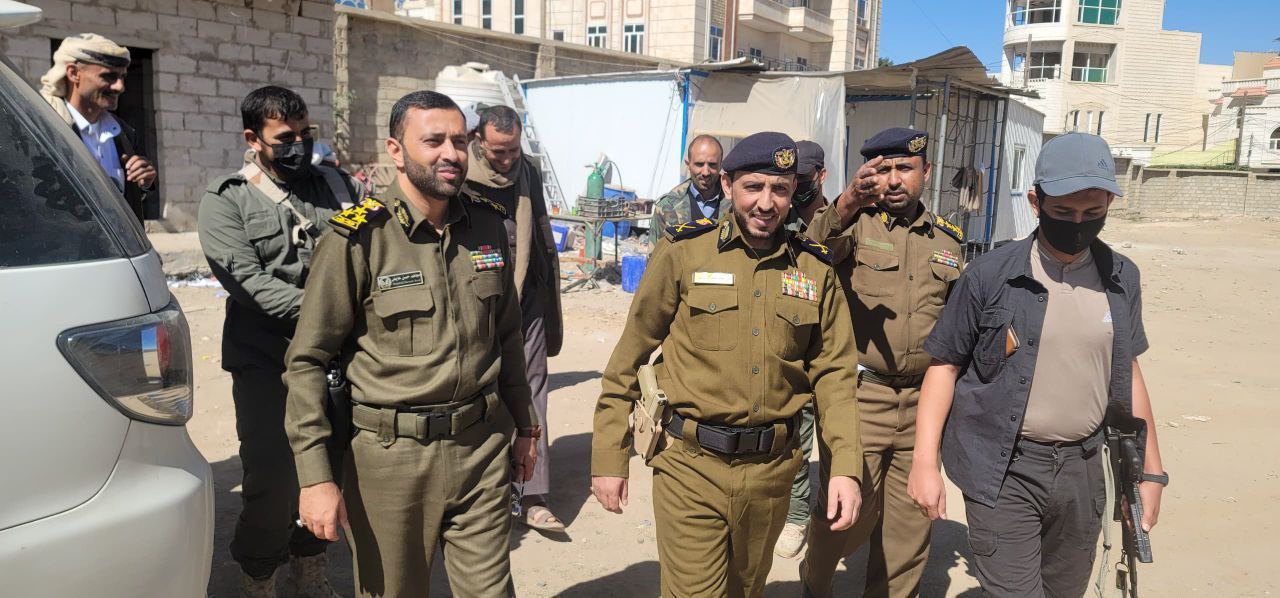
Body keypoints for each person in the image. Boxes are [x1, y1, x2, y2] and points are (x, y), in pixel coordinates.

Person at [284, 90, 539, 598]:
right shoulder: (358, 238)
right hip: (392, 460)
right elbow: (307, 360)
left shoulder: (487, 224)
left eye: (459, 141)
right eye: (434, 141)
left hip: (482, 447)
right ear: (396, 151)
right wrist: (315, 477)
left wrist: (526, 425)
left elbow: (507, 335)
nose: (451, 154)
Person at [591, 132, 865, 597]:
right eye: (753, 187)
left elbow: (835, 376)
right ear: (727, 184)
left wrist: (845, 466)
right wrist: (608, 456)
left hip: (771, 473)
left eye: (779, 189)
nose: (766, 203)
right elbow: (630, 356)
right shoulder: (684, 252)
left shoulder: (814, 269)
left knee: (746, 591)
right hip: (690, 467)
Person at [908, 132, 1167, 597]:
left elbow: (1128, 372)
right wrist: (924, 463)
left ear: (1109, 202)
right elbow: (943, 367)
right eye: (1063, 212)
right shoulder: (989, 275)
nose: (1078, 224)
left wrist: (1151, 473)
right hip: (1005, 468)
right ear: (1036, 202)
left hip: (1083, 470)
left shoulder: (1122, 277)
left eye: (1092, 212)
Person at [197, 85, 360, 598]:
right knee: (274, 480)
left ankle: (310, 565)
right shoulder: (227, 200)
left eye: (305, 134)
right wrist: (329, 313)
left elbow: (372, 247)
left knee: (329, 466)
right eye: (285, 137)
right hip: (268, 360)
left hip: (334, 359)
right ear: (253, 138)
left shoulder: (338, 186)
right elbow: (248, 282)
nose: (298, 145)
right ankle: (259, 575)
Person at [796, 128, 964, 597]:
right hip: (860, 394)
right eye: (883, 169)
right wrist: (849, 200)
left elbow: (958, 323)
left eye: (904, 169)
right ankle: (816, 584)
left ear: (925, 172)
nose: (893, 179)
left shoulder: (948, 240)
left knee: (909, 527)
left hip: (923, 401)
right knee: (845, 512)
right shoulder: (853, 225)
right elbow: (807, 253)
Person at [465, 104, 566, 531]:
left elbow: (540, 229)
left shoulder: (529, 172)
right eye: (498, 152)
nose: (507, 160)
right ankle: (480, 491)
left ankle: (532, 493)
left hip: (528, 298)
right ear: (478, 141)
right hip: (477, 299)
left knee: (533, 389)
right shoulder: (459, 173)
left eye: (513, 150)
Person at [774, 138, 831, 558]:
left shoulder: (846, 217)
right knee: (798, 431)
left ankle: (829, 513)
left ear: (820, 176)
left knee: (838, 440)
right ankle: (796, 515)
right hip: (794, 337)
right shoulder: (782, 217)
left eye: (805, 178)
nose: (798, 186)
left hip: (836, 341)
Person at [40, 33, 157, 223]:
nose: (120, 87)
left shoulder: (124, 134)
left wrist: (144, 183)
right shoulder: (45, 129)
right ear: (73, 73)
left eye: (122, 77)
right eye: (109, 76)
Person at [648, 134, 724, 243]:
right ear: (688, 165)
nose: (705, 172)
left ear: (721, 165)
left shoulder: (735, 202)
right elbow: (656, 252)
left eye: (712, 165)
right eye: (699, 164)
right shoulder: (667, 207)